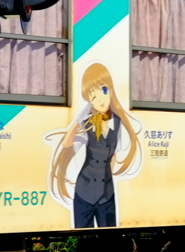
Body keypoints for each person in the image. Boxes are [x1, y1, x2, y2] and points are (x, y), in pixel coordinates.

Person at [49, 62, 141, 228]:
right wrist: (79, 119)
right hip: (84, 195)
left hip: (106, 196)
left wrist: (106, 180)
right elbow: (67, 143)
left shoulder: (119, 123)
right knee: (84, 239)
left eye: (103, 90)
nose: (100, 100)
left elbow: (113, 157)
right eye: (93, 96)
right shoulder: (87, 123)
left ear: (111, 90)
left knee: (110, 240)